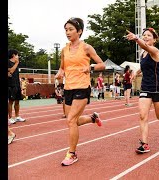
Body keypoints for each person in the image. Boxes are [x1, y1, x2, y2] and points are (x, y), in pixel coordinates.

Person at [55, 17, 106, 166]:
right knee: (73, 121)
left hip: (82, 87)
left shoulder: (86, 48)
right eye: (66, 30)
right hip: (68, 88)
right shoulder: (64, 50)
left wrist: (90, 68)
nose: (67, 32)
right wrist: (60, 73)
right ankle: (92, 118)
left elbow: (101, 64)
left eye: (71, 29)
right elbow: (62, 67)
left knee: (70, 120)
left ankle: (72, 153)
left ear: (79, 31)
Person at [126, 28, 159, 154]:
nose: (146, 37)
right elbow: (143, 67)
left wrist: (136, 38)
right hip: (145, 88)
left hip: (158, 88)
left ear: (154, 39)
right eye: (144, 35)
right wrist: (135, 73)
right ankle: (144, 144)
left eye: (149, 35)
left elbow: (146, 47)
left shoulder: (155, 51)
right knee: (142, 115)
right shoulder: (142, 54)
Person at [8, 49, 26, 124]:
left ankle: (17, 116)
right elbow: (10, 71)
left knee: (17, 101)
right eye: (17, 55)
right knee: (11, 101)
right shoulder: (8, 62)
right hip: (11, 85)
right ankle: (10, 118)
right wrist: (16, 63)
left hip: (17, 84)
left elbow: (12, 73)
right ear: (13, 55)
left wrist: (20, 85)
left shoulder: (16, 64)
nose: (18, 57)